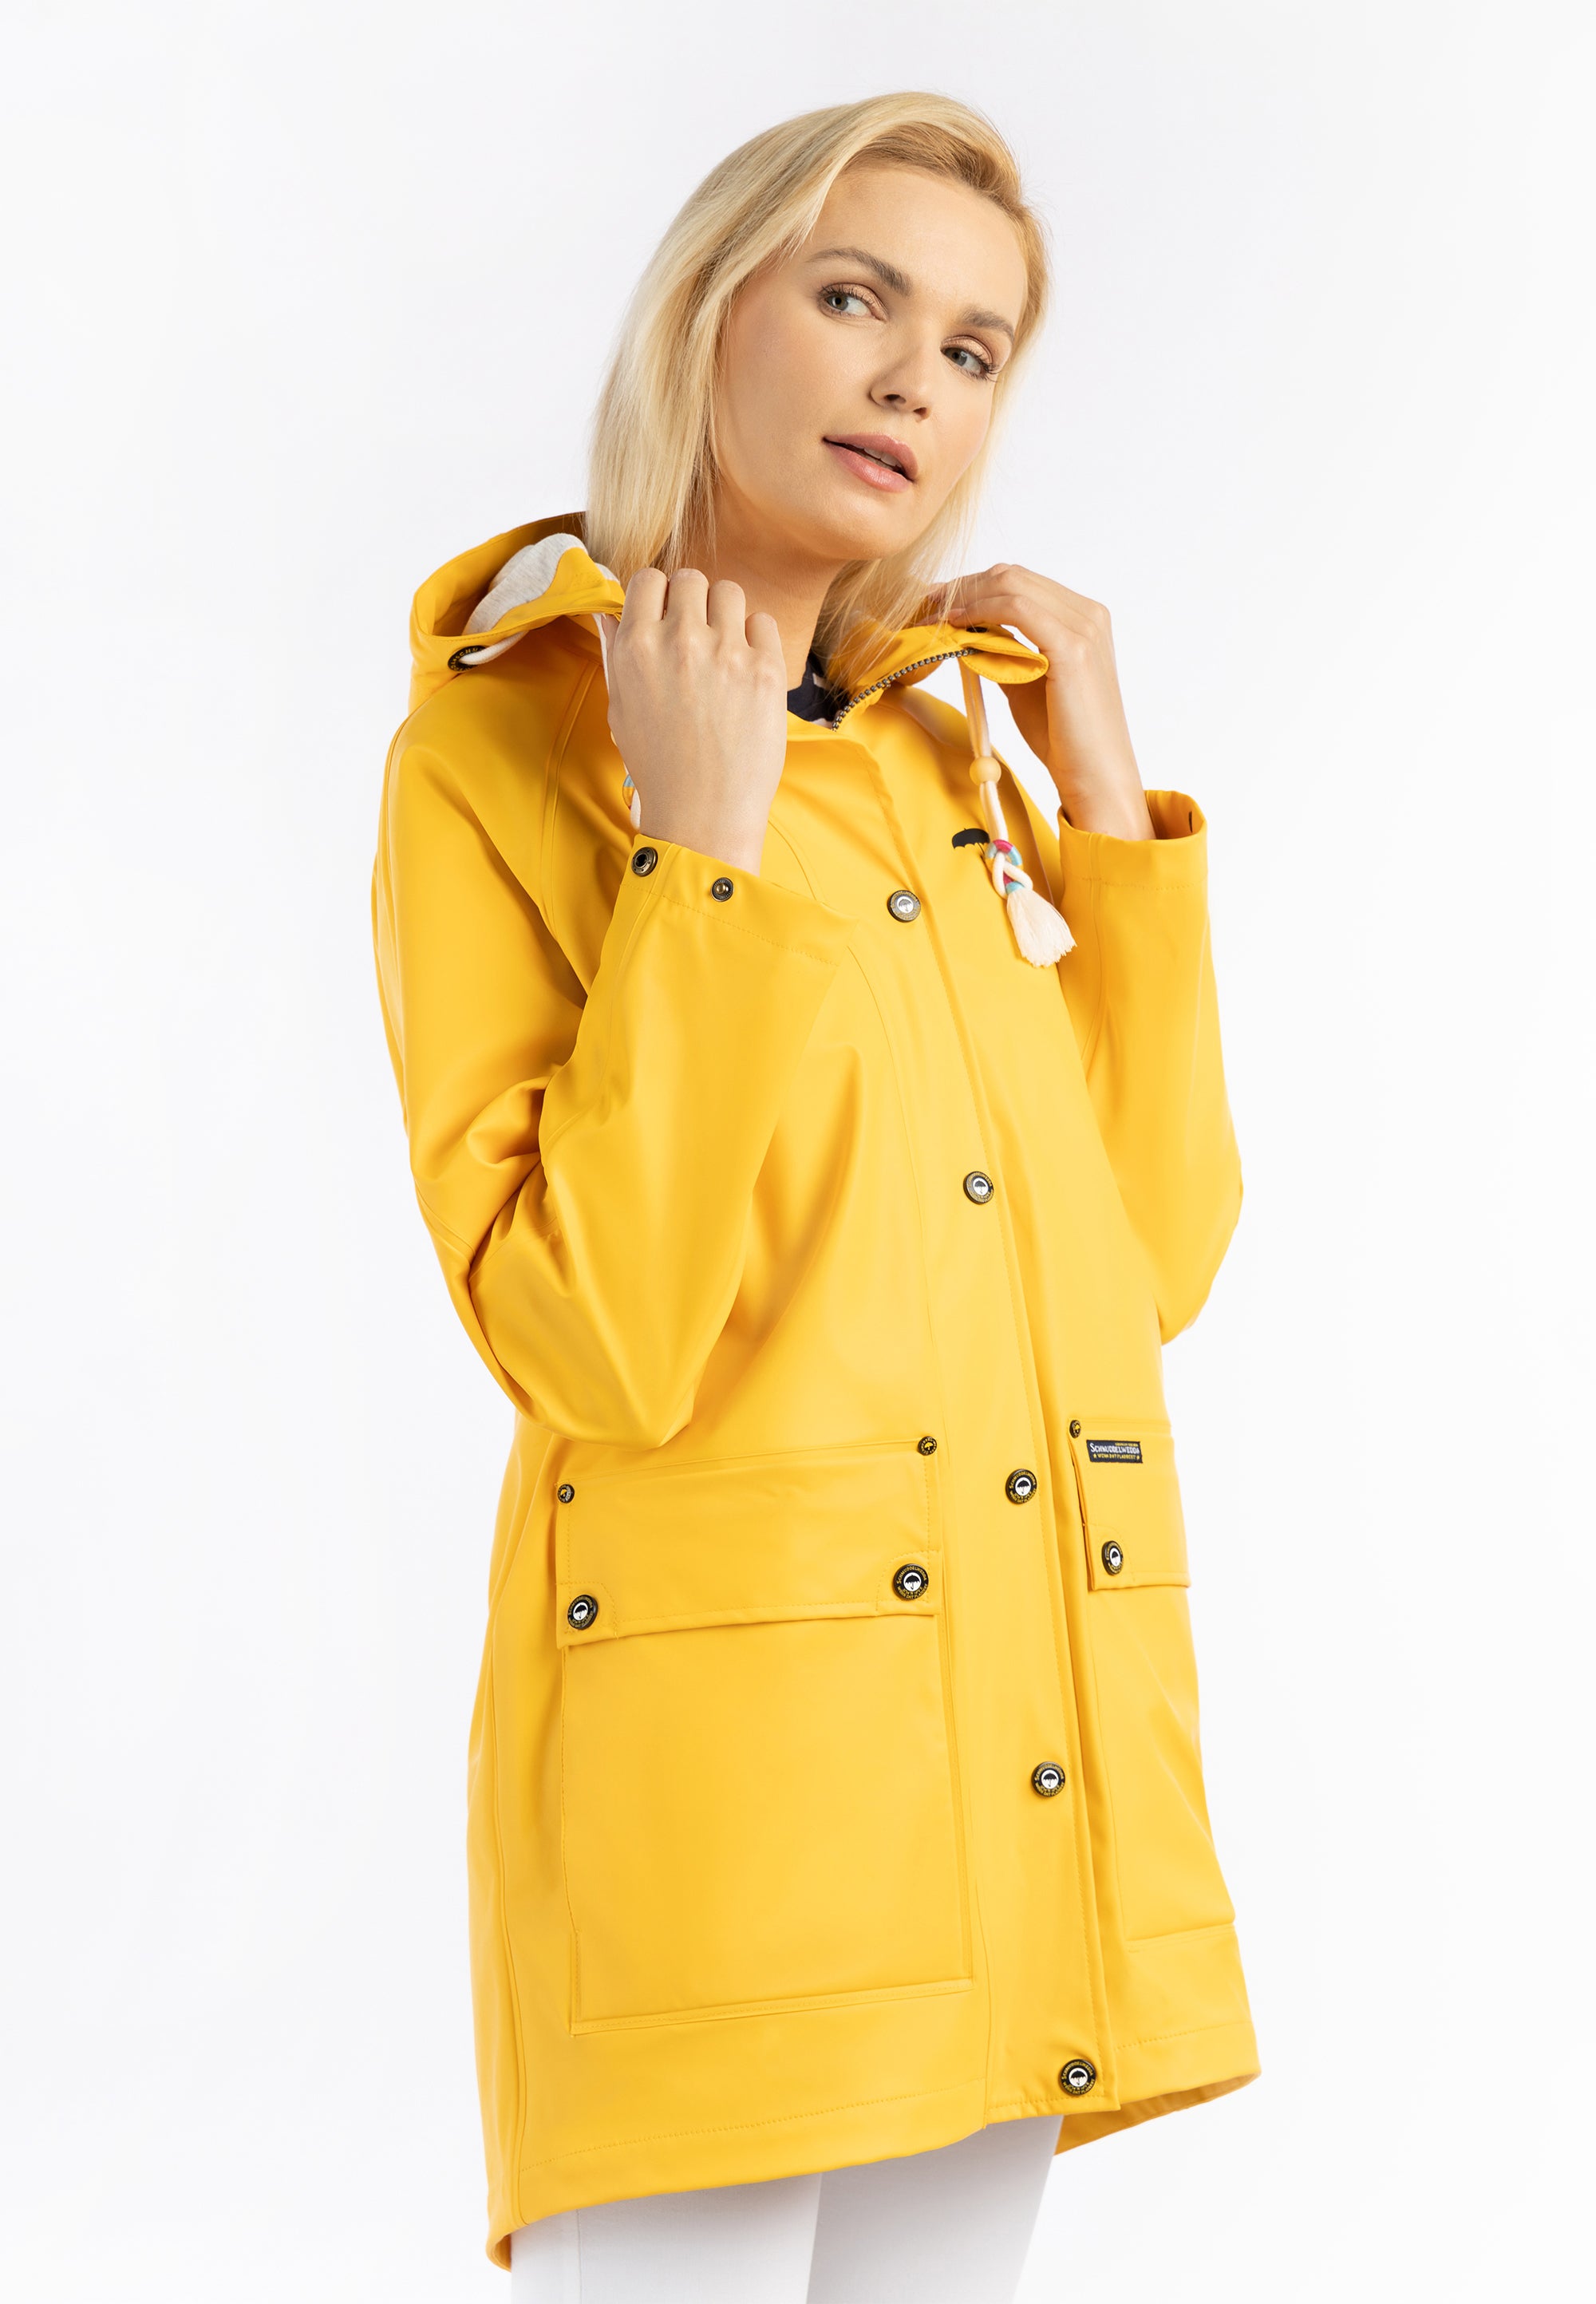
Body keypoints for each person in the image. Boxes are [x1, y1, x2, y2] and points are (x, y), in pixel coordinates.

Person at [373, 90, 1258, 2302]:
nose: (913, 383)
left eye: (973, 348)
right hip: (726, 1799)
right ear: (709, 311)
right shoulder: (501, 745)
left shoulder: (944, 756)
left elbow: (1147, 1268)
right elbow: (595, 1341)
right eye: (856, 297)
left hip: (1011, 1754)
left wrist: (1108, 822)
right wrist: (703, 849)